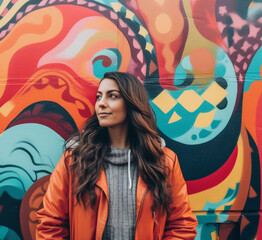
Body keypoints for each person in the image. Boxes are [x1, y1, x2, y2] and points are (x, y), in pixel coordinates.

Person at [35, 72, 197, 239]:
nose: (101, 104)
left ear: (132, 103)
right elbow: (50, 224)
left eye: (112, 96)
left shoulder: (163, 161)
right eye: (99, 97)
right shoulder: (75, 160)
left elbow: (182, 225)